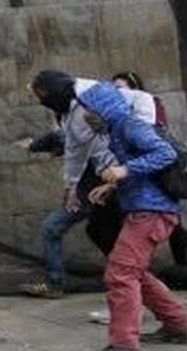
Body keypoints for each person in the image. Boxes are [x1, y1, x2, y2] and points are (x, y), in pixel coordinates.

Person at [76, 82, 187, 351]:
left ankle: (124, 346)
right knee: (134, 272)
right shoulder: (118, 130)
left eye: (90, 109)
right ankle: (176, 326)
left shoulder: (130, 126)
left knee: (120, 274)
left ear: (104, 107)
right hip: (146, 209)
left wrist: (125, 170)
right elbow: (143, 171)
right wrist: (114, 186)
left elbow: (165, 154)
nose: (86, 115)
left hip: (151, 211)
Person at [12, 70, 115, 298]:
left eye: (41, 94)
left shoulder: (87, 106)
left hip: (110, 180)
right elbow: (69, 145)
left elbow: (77, 151)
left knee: (55, 226)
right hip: (100, 181)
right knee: (100, 232)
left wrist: (74, 188)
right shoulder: (70, 113)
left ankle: (57, 283)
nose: (40, 101)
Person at [111, 71, 187, 267]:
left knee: (169, 218)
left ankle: (181, 264)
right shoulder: (120, 116)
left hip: (156, 173)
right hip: (136, 178)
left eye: (121, 89)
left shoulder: (146, 108)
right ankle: (138, 266)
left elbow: (161, 146)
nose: (117, 94)